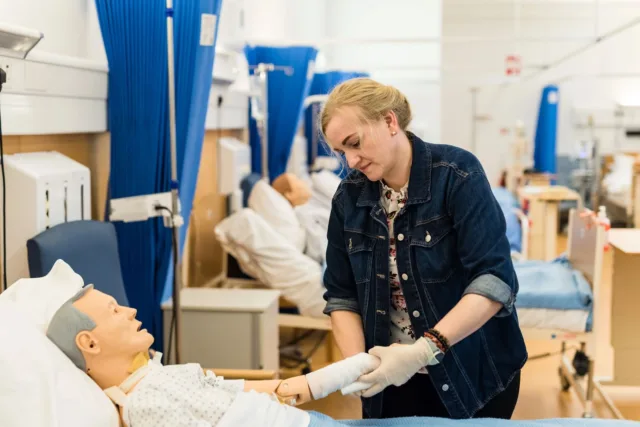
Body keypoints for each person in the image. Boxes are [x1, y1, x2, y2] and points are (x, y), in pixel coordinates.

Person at [320, 78, 528, 420]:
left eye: (354, 143)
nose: (351, 160)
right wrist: (360, 366)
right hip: (391, 381)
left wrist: (423, 351)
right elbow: (342, 296)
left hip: (472, 371)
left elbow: (494, 280)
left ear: (390, 122)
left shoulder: (457, 175)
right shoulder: (349, 199)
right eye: (341, 152)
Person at [44, 284, 381, 427]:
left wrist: (334, 376)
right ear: (89, 344)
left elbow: (269, 394)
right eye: (114, 310)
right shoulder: (145, 405)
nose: (131, 310)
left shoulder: (159, 375)